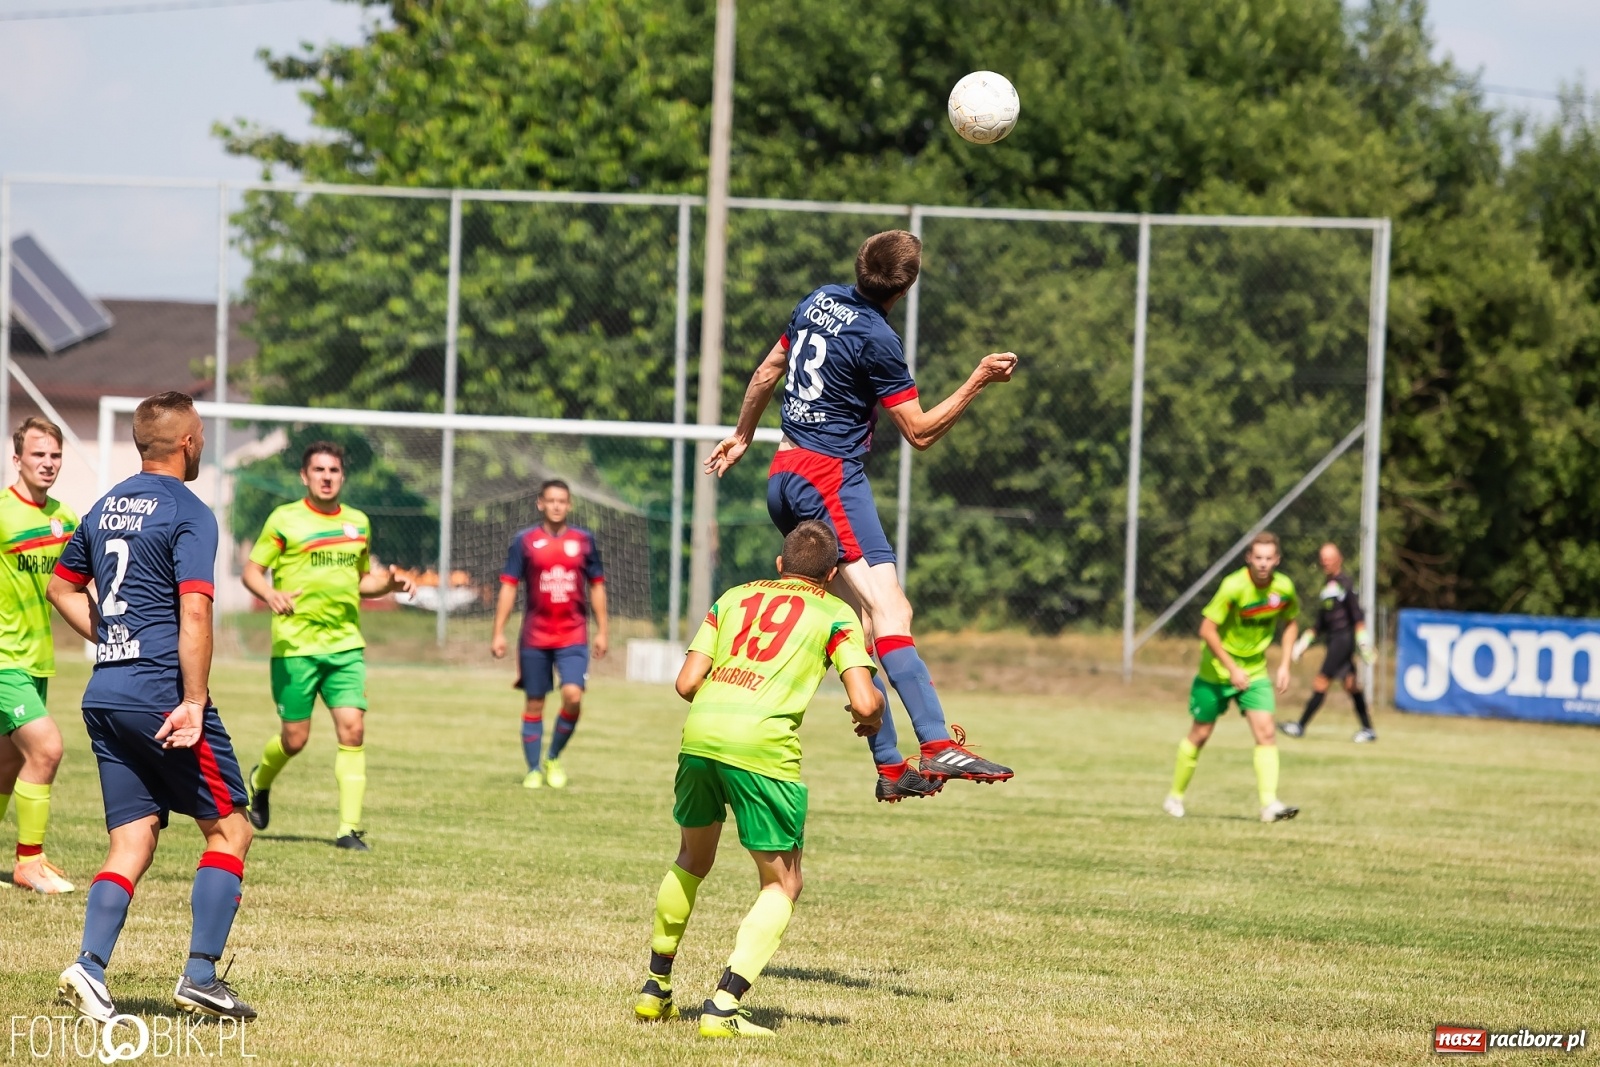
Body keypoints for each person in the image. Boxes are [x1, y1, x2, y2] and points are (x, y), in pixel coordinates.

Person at [705, 229, 1014, 803]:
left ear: (859, 266)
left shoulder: (817, 300)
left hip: (785, 474)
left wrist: (742, 434)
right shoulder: (877, 336)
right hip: (830, 479)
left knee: (860, 626)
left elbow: (767, 372)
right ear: (907, 287)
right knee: (890, 607)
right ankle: (937, 742)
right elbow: (919, 433)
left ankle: (892, 766)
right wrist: (978, 380)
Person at [48, 391, 256, 1022]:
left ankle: (89, 966)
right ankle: (200, 976)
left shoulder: (105, 506)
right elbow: (195, 607)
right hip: (162, 692)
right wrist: (194, 700)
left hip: (106, 691)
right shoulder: (189, 511)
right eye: (202, 435)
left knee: (133, 836)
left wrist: (114, 636)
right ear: (188, 442)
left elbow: (62, 585)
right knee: (231, 828)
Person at [633, 520, 883, 1037]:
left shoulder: (733, 597)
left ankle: (655, 990)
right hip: (761, 747)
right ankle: (723, 1007)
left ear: (779, 564)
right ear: (832, 573)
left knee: (691, 859)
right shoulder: (836, 613)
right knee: (783, 882)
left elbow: (686, 683)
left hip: (701, 733)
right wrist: (873, 713)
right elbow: (862, 699)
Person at [241, 441, 414, 851]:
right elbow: (252, 570)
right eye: (318, 469)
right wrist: (269, 594)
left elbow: (362, 580)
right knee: (295, 740)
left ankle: (347, 830)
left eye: (333, 470)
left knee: (353, 730)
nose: (326, 476)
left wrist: (386, 584)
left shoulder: (357, 523)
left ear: (342, 476)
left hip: (345, 645)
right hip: (296, 646)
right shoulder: (284, 520)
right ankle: (259, 781)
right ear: (305, 476)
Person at [1164, 532, 1301, 823]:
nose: (1263, 564)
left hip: (1254, 671)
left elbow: (1291, 623)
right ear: (1249, 558)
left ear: (1277, 560)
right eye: (1258, 558)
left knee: (1266, 732)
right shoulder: (1234, 586)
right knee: (1200, 734)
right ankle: (1175, 796)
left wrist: (1286, 664)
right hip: (1215, 671)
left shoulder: (1284, 588)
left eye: (1269, 558)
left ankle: (1269, 806)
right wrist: (1231, 668)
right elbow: (1207, 630)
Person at [0, 418, 79, 894]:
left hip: (37, 659)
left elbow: (72, 586)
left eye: (54, 456)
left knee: (8, 765)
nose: (48, 463)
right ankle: (29, 862)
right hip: (3, 658)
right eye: (38, 455)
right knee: (47, 748)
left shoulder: (66, 519)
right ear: (17, 459)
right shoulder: (2, 512)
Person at [489, 479, 608, 789]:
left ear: (569, 505)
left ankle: (553, 756)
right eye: (551, 500)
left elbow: (596, 585)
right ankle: (532, 769)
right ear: (540, 504)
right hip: (535, 637)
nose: (556, 506)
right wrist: (498, 632)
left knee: (573, 696)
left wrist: (603, 631)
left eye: (562, 501)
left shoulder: (584, 540)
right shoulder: (524, 541)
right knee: (535, 704)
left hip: (573, 635)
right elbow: (508, 585)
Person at [1279, 542, 1376, 743]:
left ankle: (1300, 726)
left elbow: (1356, 616)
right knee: (1351, 685)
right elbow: (1321, 622)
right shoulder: (1327, 586)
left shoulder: (1344, 583)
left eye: (1330, 558)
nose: (1326, 562)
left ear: (1339, 559)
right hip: (1333, 638)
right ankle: (1368, 729)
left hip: (1343, 639)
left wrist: (1363, 641)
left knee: (1321, 681)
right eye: (1323, 559)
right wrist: (1305, 641)